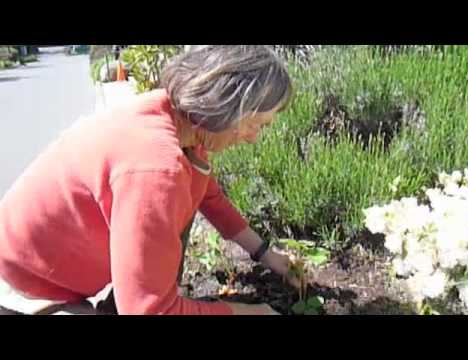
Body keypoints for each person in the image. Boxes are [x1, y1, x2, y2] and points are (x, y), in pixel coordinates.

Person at [0, 45, 298, 315]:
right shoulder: (155, 168)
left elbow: (209, 196)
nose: (253, 138)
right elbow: (149, 312)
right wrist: (248, 313)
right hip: (25, 291)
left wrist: (267, 256)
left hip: (42, 270)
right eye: (255, 123)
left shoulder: (174, 118)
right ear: (227, 104)